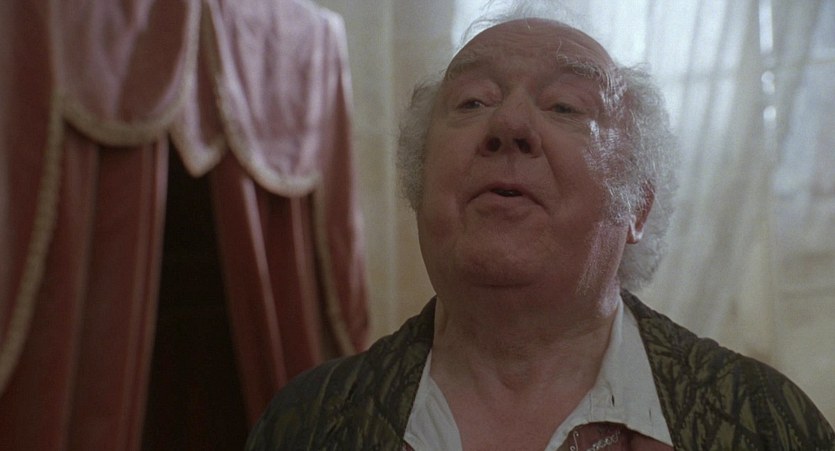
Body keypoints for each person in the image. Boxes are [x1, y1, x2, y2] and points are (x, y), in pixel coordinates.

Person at [245, 3, 835, 450]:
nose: (508, 123)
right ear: (420, 185)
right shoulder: (307, 424)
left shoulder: (768, 424)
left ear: (638, 206)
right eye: (473, 101)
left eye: (565, 107)